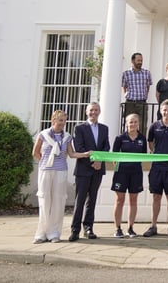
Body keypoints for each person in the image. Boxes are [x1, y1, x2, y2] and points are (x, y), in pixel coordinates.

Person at [32, 110, 89, 244]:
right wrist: (45, 163)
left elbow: (72, 153)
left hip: (61, 171)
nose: (63, 123)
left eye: (64, 121)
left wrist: (86, 154)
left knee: (58, 201)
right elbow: (35, 152)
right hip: (46, 170)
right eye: (60, 120)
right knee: (44, 200)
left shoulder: (67, 137)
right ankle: (41, 233)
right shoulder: (43, 135)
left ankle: (54, 233)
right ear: (53, 120)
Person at [69, 102, 110, 242]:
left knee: (92, 200)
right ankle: (75, 230)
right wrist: (93, 162)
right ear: (87, 112)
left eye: (96, 110)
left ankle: (88, 228)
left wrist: (99, 161)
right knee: (79, 200)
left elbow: (106, 147)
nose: (94, 112)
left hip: (98, 170)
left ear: (99, 112)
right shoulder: (79, 128)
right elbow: (79, 147)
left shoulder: (104, 128)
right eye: (91, 110)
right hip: (83, 169)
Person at [143, 100, 168, 238]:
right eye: (164, 110)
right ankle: (153, 225)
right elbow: (150, 143)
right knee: (156, 197)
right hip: (156, 168)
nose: (166, 112)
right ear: (160, 110)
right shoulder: (154, 126)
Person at [110, 113, 147, 239]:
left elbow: (144, 156)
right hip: (121, 173)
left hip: (136, 173)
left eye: (135, 122)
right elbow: (114, 156)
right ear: (126, 124)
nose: (133, 124)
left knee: (133, 200)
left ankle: (130, 228)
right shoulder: (120, 138)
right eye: (130, 122)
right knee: (119, 200)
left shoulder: (142, 138)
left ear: (138, 124)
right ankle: (117, 228)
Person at [122, 52, 153, 130]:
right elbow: (124, 87)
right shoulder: (126, 73)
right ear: (132, 61)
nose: (140, 62)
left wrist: (144, 95)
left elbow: (148, 86)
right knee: (129, 124)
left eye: (141, 60)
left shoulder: (147, 73)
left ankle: (141, 141)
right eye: (138, 60)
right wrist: (127, 94)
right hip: (130, 103)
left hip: (142, 102)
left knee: (143, 126)